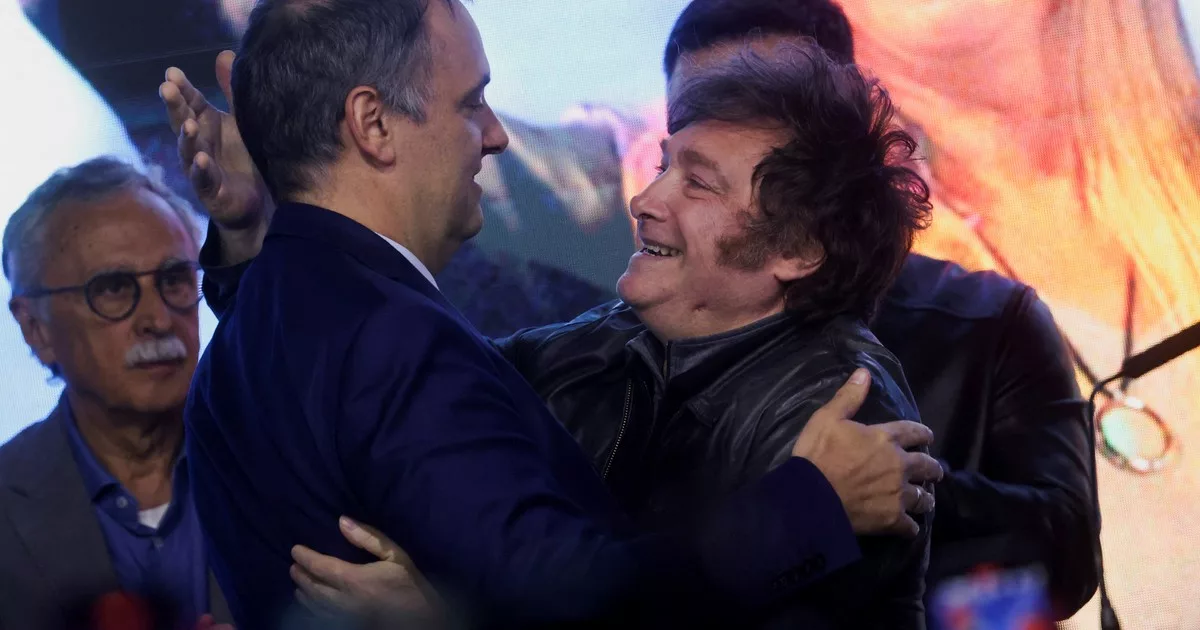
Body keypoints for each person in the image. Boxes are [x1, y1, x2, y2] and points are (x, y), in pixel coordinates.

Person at [180, 1, 941, 628]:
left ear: (800, 247)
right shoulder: (544, 351)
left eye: (698, 183)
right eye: (470, 102)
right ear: (372, 124)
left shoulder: (848, 415)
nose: (643, 199)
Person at [650, 0, 1100, 621]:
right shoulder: (619, 352)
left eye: (766, 117)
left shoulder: (991, 322)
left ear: (848, 127)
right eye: (697, 130)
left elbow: (1068, 555)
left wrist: (893, 482)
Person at [0, 157, 231, 630]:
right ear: (35, 327)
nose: (159, 319)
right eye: (112, 289)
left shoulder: (286, 460)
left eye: (174, 280)